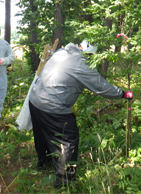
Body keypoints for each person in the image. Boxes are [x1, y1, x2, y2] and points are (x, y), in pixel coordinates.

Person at [29, 41, 133, 188]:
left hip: (35, 100)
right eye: (91, 55)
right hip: (53, 106)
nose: (91, 58)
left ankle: (43, 163)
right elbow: (101, 87)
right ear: (87, 52)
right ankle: (64, 181)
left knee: (42, 133)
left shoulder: (62, 52)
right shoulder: (81, 64)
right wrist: (123, 94)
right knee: (68, 139)